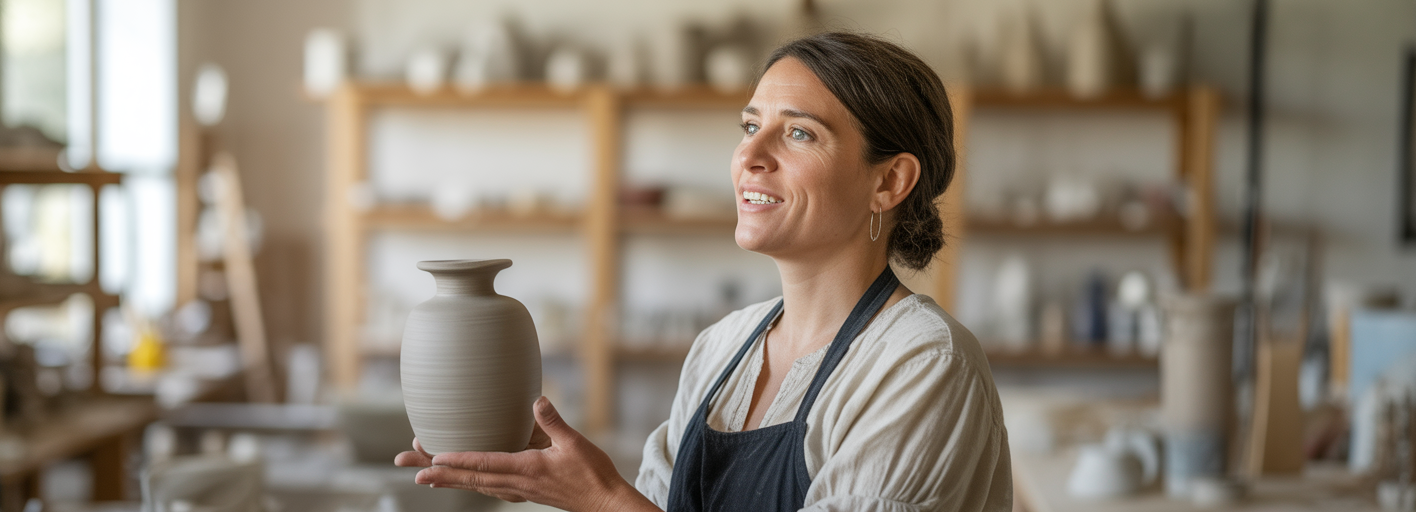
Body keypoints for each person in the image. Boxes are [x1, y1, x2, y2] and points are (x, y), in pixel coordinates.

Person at [396, 31, 1012, 512]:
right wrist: (557, 482)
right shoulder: (721, 349)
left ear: (888, 181)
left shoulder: (923, 364)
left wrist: (603, 498)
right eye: (750, 126)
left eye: (798, 133)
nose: (749, 154)